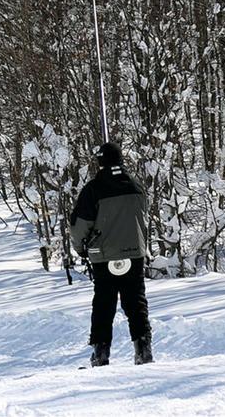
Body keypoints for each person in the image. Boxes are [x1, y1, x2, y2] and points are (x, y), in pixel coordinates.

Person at [70, 141, 153, 367]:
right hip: (134, 252)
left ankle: (101, 352)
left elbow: (80, 224)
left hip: (104, 255)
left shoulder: (93, 189)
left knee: (104, 304)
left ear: (100, 161)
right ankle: (143, 349)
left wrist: (80, 248)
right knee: (136, 302)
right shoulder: (136, 186)